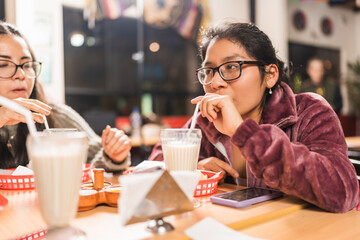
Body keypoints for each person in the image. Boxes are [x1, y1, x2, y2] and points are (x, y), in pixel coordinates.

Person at [149, 21, 359, 213]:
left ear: (270, 75)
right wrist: (193, 167)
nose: (215, 83)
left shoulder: (308, 111)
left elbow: (343, 192)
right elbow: (155, 162)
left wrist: (242, 132)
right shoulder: (205, 119)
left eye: (231, 67)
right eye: (209, 71)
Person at [0, 21, 131, 171]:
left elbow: (93, 159)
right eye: (3, 65)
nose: (21, 75)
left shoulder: (52, 115)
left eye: (27, 65)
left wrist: (113, 154)